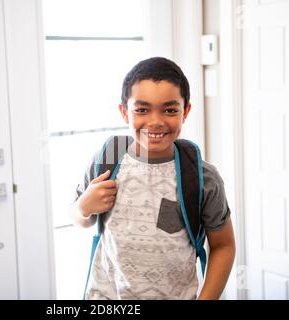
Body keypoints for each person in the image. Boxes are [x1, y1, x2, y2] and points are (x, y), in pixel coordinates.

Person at [70, 57, 236, 300]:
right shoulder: (107, 159)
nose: (156, 122)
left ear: (185, 111)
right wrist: (84, 206)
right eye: (142, 109)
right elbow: (79, 218)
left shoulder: (201, 176)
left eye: (169, 110)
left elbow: (223, 245)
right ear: (124, 112)